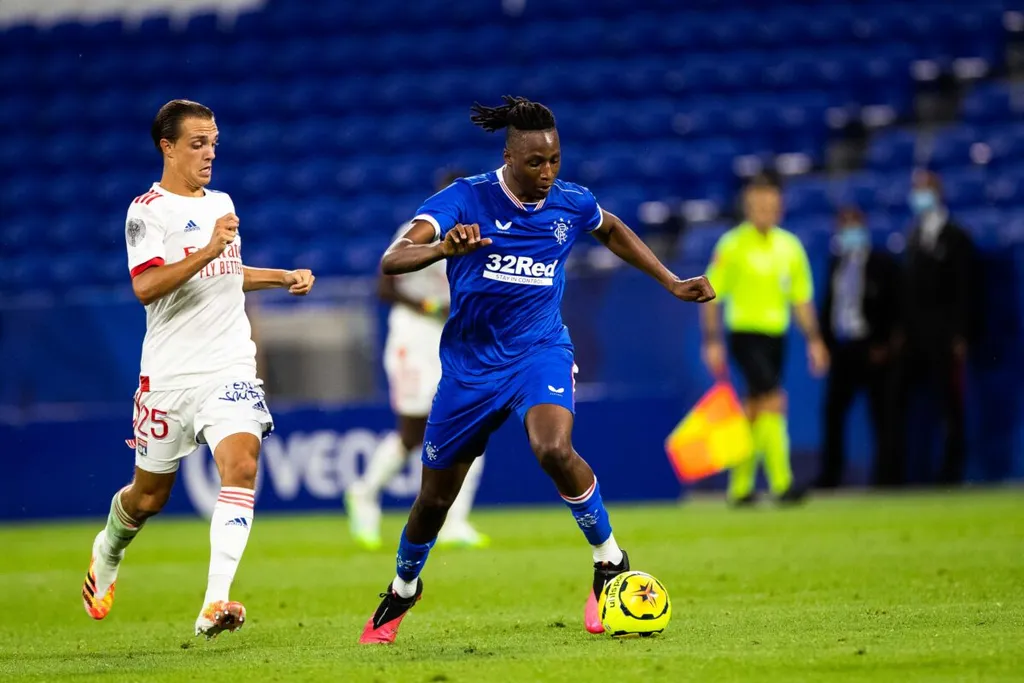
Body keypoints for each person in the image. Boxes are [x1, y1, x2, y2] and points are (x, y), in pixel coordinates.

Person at [357, 96, 714, 644]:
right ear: (508, 155)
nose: (547, 173)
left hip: (539, 350)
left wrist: (670, 280)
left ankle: (609, 562)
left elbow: (612, 228)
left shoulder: (571, 202)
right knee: (433, 499)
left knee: (553, 448)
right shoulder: (465, 198)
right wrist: (443, 249)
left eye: (554, 160)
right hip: (470, 368)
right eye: (535, 163)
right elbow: (393, 259)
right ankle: (404, 589)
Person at [81, 100, 316, 638]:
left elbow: (227, 274)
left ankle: (215, 602)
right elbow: (146, 287)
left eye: (214, 142)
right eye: (197, 144)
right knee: (148, 498)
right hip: (168, 377)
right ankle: (107, 548)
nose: (210, 153)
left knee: (242, 464)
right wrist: (210, 248)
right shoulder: (147, 211)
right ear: (167, 147)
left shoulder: (224, 202)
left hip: (229, 365)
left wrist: (280, 276)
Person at [346, 170, 488, 551]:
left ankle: (456, 521)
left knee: (472, 426)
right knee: (412, 432)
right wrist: (429, 306)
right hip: (412, 335)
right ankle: (364, 494)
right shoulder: (419, 228)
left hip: (450, 337)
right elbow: (384, 285)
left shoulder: (480, 231)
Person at [701, 179, 829, 506]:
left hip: (777, 336)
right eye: (758, 207)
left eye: (770, 207)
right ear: (748, 208)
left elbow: (801, 300)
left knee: (756, 408)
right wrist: (713, 341)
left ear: (779, 208)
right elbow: (712, 296)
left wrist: (814, 340)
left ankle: (740, 488)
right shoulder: (732, 245)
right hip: (745, 335)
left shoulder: (790, 247)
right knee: (773, 400)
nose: (764, 213)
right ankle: (782, 483)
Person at [888, 169, 976, 485]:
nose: (918, 195)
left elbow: (964, 289)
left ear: (938, 193)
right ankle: (893, 475)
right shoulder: (911, 236)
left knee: (950, 405)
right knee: (895, 402)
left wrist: (960, 334)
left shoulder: (956, 236)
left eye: (923, 189)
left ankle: (951, 474)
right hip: (913, 336)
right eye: (915, 189)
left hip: (943, 335)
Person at [817, 207, 899, 488]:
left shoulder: (882, 263)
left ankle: (887, 477)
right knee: (832, 412)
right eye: (844, 226)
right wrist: (825, 343)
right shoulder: (836, 263)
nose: (849, 232)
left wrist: (884, 344)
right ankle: (831, 475)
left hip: (872, 348)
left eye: (853, 225)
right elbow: (830, 307)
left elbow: (894, 306)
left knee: (882, 414)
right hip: (843, 348)